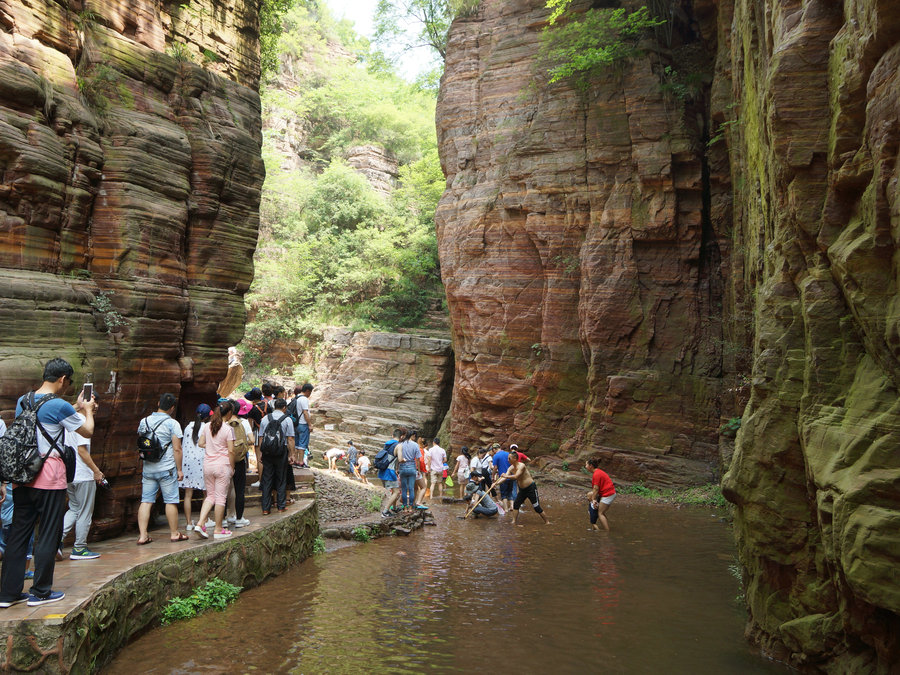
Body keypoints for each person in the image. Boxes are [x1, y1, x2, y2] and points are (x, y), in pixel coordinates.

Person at [0, 358, 96, 608]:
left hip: (22, 478)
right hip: (49, 478)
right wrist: (87, 410)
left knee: (19, 535)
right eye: (69, 382)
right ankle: (41, 591)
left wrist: (74, 405)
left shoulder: (24, 400)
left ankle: (8, 594)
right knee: (49, 534)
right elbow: (86, 431)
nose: (68, 386)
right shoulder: (59, 405)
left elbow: (47, 417)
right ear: (63, 379)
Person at [137, 393, 189, 545]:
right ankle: (174, 533)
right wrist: (179, 470)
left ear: (158, 403)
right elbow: (177, 449)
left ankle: (143, 535)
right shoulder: (173, 424)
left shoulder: (144, 421)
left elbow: (143, 441)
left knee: (146, 501)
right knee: (171, 501)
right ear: (172, 408)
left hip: (148, 468)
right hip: (167, 468)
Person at [60, 428, 104, 560]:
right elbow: (82, 451)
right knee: (85, 511)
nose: (95, 406)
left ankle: (56, 540)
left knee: (74, 509)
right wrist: (96, 471)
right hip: (83, 475)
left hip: (68, 474)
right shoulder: (81, 423)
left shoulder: (64, 421)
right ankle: (80, 548)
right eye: (94, 405)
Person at [194, 402, 236, 539]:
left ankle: (200, 523)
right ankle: (218, 529)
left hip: (208, 466)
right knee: (220, 498)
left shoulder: (207, 426)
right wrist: (232, 467)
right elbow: (231, 451)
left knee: (210, 496)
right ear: (229, 413)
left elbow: (200, 443)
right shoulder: (228, 429)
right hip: (222, 466)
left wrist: (212, 446)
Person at [256, 398, 295, 514]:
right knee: (281, 478)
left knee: (267, 478)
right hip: (281, 451)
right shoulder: (287, 420)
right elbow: (290, 439)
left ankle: (265, 508)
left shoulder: (265, 419)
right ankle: (281, 506)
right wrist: (292, 454)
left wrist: (261, 453)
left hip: (267, 451)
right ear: (284, 408)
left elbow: (261, 437)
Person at [496, 451, 550, 526]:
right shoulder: (511, 468)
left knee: (536, 507)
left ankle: (547, 522)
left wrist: (505, 476)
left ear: (515, 458)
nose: (508, 460)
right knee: (516, 504)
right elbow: (505, 478)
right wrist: (496, 483)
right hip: (522, 490)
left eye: (509, 458)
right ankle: (514, 521)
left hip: (530, 488)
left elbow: (516, 476)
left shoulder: (522, 466)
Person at [180, 404, 211, 531]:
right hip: (202, 462)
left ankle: (188, 523)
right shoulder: (206, 428)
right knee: (207, 493)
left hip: (188, 463)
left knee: (188, 494)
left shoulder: (188, 427)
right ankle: (203, 520)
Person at [226, 400, 251, 528]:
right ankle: (239, 518)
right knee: (240, 489)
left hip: (225, 460)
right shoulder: (244, 423)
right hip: (240, 460)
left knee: (224, 489)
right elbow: (252, 439)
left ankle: (225, 518)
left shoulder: (224, 424)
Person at [586, 457, 616, 532]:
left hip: (608, 494)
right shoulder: (597, 472)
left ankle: (607, 532)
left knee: (600, 513)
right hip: (607, 493)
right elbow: (595, 490)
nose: (585, 466)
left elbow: (596, 489)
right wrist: (593, 498)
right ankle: (604, 526)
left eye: (586, 464)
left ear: (590, 466)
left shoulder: (596, 474)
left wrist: (593, 500)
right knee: (600, 511)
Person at [378, 429, 402, 516]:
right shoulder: (399, 446)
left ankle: (395, 508)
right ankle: (385, 511)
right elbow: (400, 459)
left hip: (382, 470)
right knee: (396, 492)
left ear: (392, 435)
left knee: (394, 490)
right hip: (389, 472)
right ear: (401, 437)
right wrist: (404, 460)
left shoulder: (387, 444)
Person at [395, 429, 419, 511]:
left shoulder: (400, 444)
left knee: (404, 489)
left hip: (403, 467)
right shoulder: (415, 445)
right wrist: (417, 469)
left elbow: (398, 458)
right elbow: (418, 458)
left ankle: (405, 507)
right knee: (411, 488)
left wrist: (397, 468)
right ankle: (411, 507)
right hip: (412, 467)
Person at [293, 383, 313, 468]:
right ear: (307, 391)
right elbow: (305, 412)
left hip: (296, 424)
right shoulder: (304, 399)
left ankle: (296, 460)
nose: (310, 394)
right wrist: (310, 424)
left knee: (296, 443)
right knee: (302, 444)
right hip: (303, 424)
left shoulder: (296, 398)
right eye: (310, 392)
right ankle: (301, 462)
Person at [492, 444, 514, 512]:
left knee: (503, 494)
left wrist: (493, 476)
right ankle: (512, 506)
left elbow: (495, 468)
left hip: (503, 477)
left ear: (494, 449)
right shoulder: (508, 454)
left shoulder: (496, 456)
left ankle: (506, 509)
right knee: (510, 492)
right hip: (511, 476)